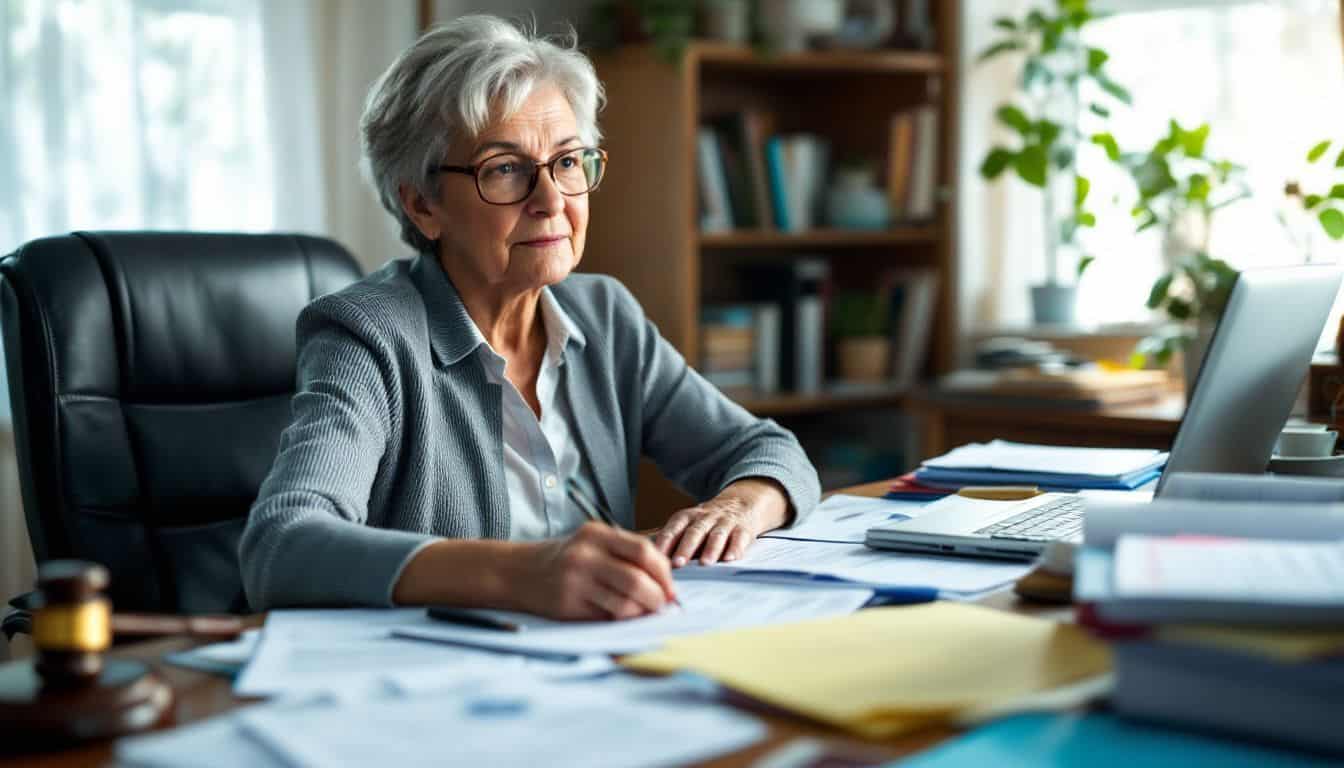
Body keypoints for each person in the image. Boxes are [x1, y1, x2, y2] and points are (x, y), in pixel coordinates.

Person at [239, 15, 819, 619]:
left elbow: (768, 451)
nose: (551, 202)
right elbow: (282, 546)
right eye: (505, 170)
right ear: (422, 203)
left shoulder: (604, 314)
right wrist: (520, 570)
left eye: (568, 162)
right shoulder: (367, 336)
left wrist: (737, 508)